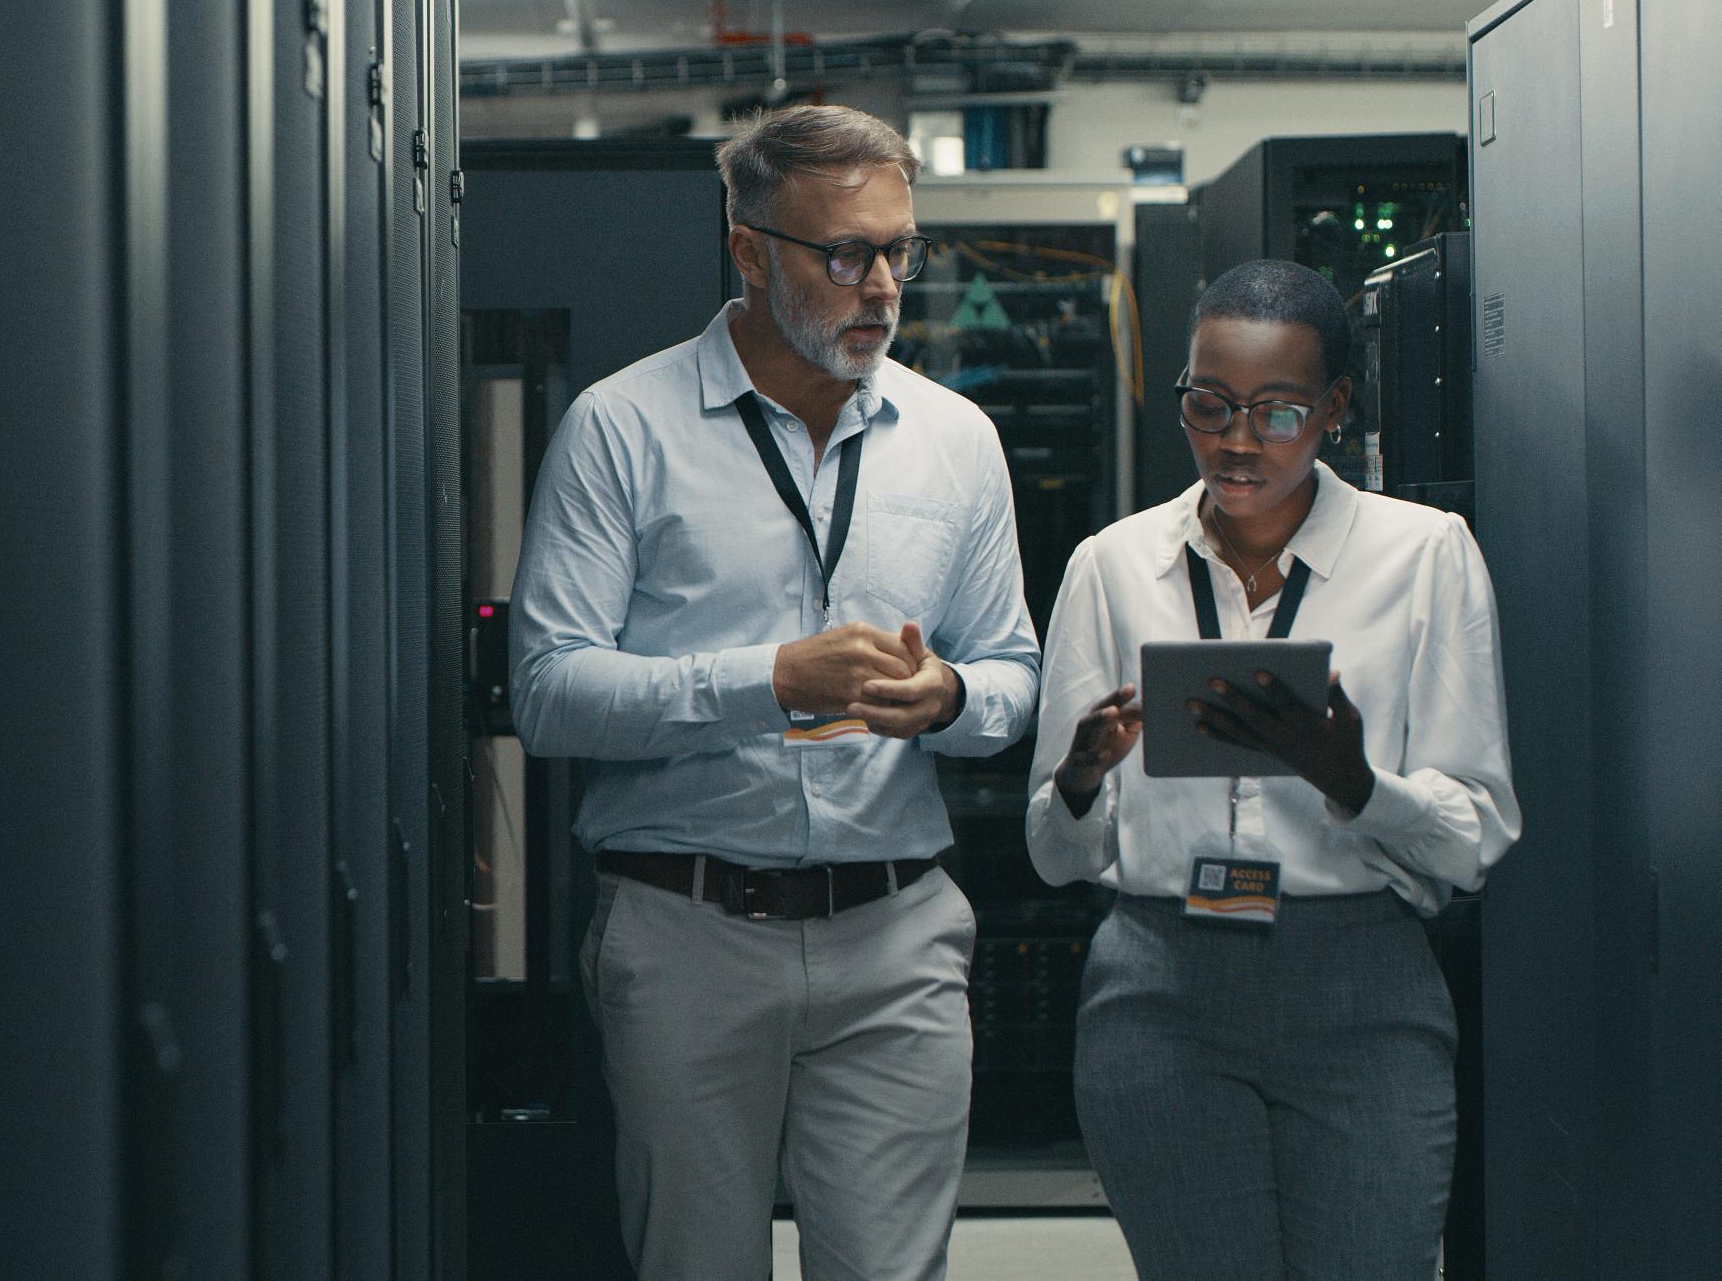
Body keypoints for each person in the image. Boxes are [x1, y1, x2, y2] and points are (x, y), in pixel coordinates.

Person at [510, 104, 1040, 1281]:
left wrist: (948, 698)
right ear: (748, 250)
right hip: (687, 931)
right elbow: (547, 691)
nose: (883, 286)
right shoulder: (623, 428)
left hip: (895, 933)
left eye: (900, 250)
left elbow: (1013, 674)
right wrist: (767, 683)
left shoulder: (955, 440)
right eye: (843, 253)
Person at [1024, 259, 1522, 1279]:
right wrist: (1078, 779)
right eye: (1208, 404)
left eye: (1277, 410)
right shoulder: (1113, 565)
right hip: (1159, 987)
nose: (1237, 439)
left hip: (1358, 988)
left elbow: (1473, 837)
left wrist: (1349, 779)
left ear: (1334, 408)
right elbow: (1052, 854)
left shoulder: (1424, 555)